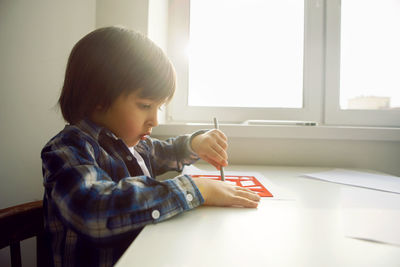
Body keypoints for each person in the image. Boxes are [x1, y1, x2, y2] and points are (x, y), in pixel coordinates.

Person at [41, 26, 260, 267]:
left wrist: (196, 143)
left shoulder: (134, 144)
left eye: (160, 107)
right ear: (99, 99)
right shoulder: (68, 149)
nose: (155, 121)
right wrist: (197, 188)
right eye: (145, 105)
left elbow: (168, 151)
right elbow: (94, 211)